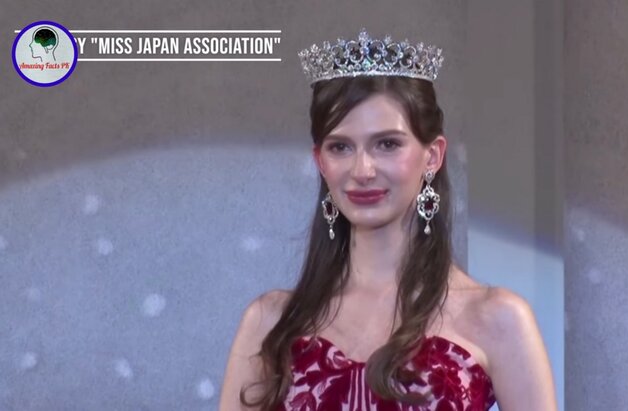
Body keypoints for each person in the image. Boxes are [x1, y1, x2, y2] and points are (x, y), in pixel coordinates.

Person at [219, 30, 557, 411]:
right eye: (340, 147)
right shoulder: (270, 323)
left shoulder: (498, 319)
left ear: (432, 156)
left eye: (387, 144)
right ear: (321, 162)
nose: (362, 170)